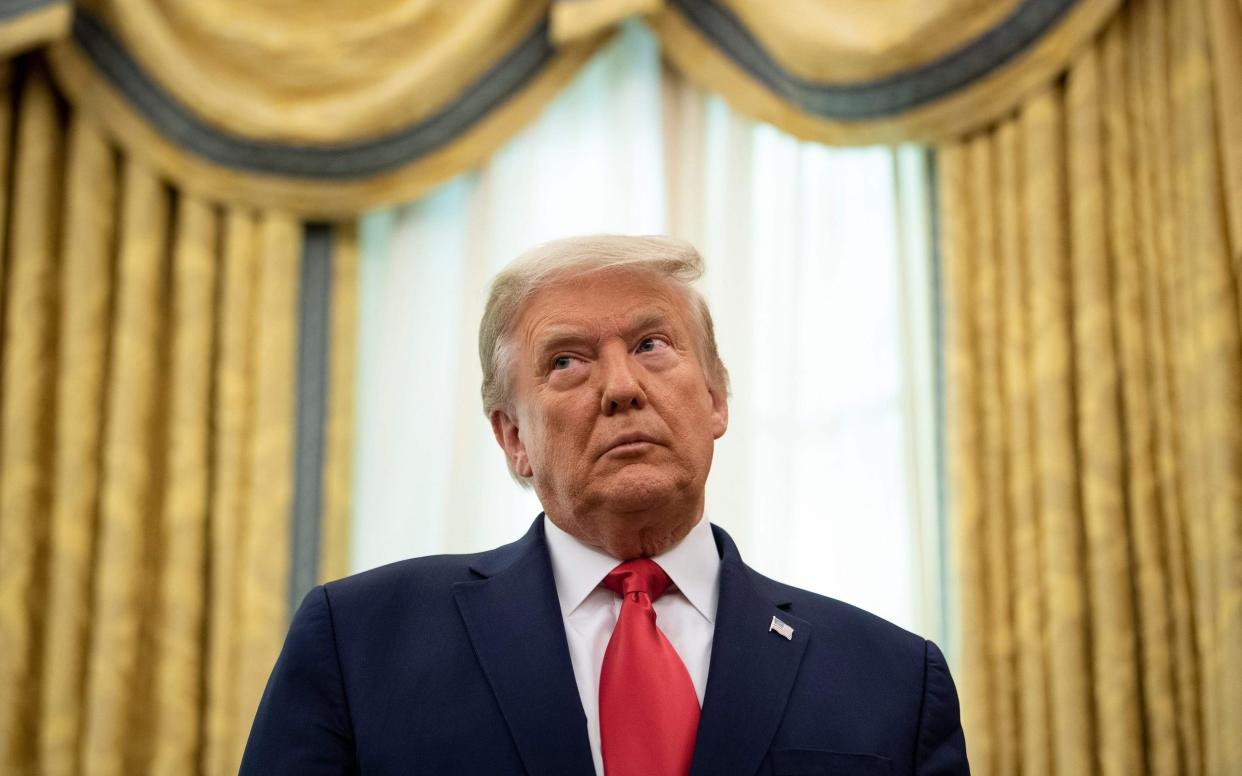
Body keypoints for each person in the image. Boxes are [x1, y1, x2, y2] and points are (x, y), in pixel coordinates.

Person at [240, 235, 970, 775]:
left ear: (715, 398)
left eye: (652, 344)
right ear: (513, 437)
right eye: (566, 361)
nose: (621, 387)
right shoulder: (359, 643)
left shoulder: (894, 681)